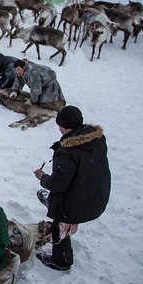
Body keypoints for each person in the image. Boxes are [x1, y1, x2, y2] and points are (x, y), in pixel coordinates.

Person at [33, 106, 111, 271]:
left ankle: (61, 261)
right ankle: (53, 203)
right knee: (61, 205)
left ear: (63, 126)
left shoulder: (67, 151)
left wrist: (42, 177)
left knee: (59, 226)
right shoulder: (97, 138)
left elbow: (57, 184)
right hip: (97, 193)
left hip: (78, 203)